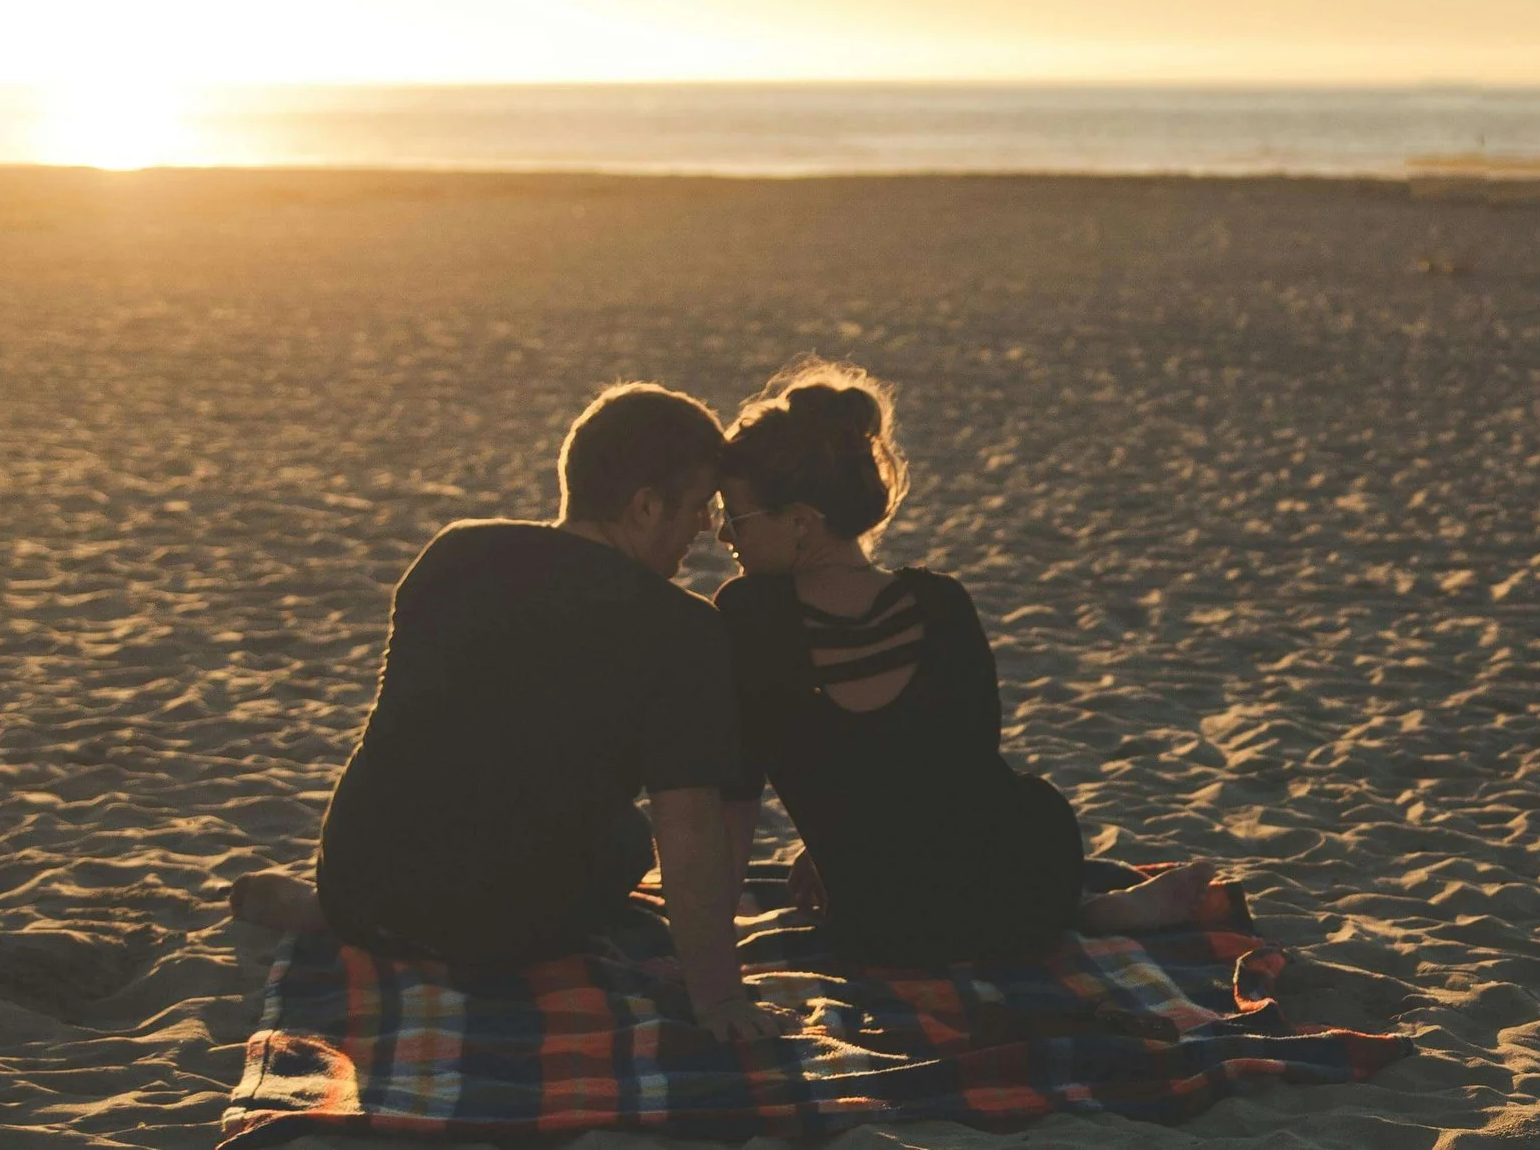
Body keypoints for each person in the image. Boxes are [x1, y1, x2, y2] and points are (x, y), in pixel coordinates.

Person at [231, 383, 781, 1040]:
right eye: (697, 507)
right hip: (497, 931)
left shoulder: (453, 552)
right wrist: (718, 999)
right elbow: (687, 831)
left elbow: (416, 733)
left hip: (354, 885)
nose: (706, 529)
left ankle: (330, 918)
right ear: (644, 506)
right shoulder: (681, 628)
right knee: (630, 838)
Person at [713, 360, 1212, 967]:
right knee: (1028, 806)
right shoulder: (939, 602)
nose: (722, 536)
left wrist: (723, 931)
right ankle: (1087, 913)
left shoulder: (749, 617)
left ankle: (1090, 914)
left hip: (881, 921)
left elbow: (737, 793)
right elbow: (958, 766)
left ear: (799, 521)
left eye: (734, 516)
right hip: (1016, 893)